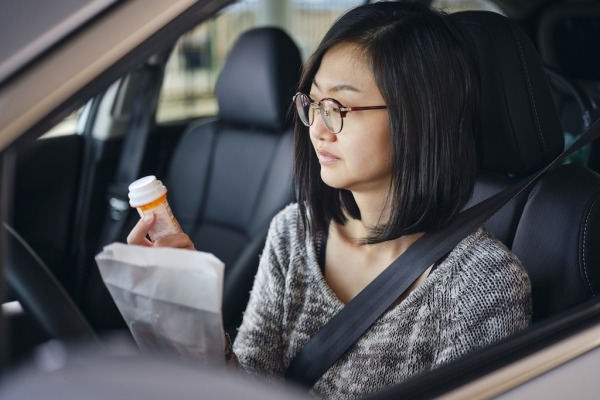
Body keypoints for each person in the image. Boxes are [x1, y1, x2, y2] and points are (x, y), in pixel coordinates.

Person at [127, 2, 532, 399]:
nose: (317, 129)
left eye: (338, 106)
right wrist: (195, 324)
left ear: (420, 118)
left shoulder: (483, 284)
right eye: (314, 102)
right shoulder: (294, 232)